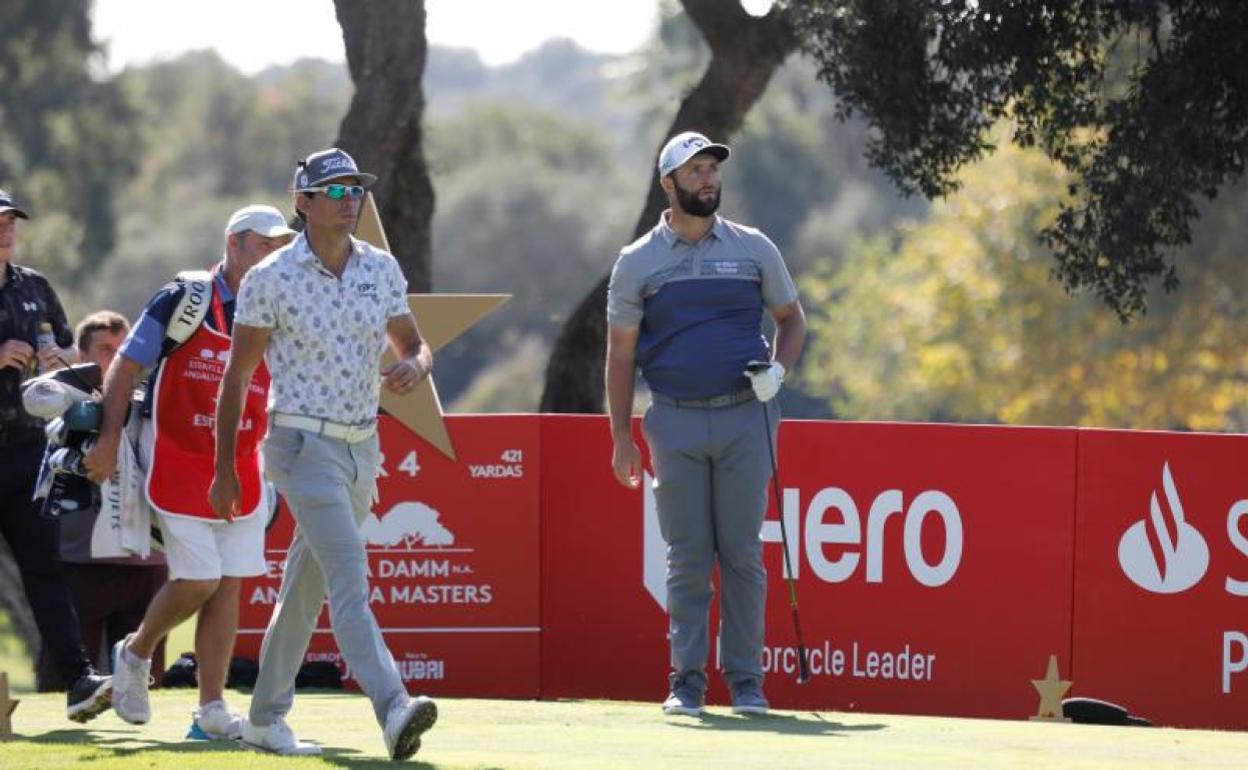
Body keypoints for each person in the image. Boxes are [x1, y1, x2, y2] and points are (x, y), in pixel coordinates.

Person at [209, 148, 437, 760]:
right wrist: (225, 466)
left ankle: (262, 718)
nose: (350, 200)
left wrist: (414, 366)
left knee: (304, 590)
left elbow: (413, 344)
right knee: (348, 577)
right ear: (303, 201)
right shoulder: (269, 278)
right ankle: (394, 708)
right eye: (335, 191)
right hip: (299, 445)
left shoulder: (381, 268)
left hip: (364, 448)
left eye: (356, 190)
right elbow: (237, 376)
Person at [605, 132, 807, 716]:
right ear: (668, 184)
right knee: (688, 555)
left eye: (712, 168)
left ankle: (747, 683)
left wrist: (779, 370)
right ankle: (686, 683)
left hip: (748, 416)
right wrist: (620, 437)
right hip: (673, 420)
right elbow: (620, 355)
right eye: (695, 171)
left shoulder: (753, 248)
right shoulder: (638, 261)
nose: (708, 178)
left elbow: (791, 320)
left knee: (742, 552)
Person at [83, 205, 295, 738]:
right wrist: (109, 438)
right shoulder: (186, 297)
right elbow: (126, 364)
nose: (274, 254)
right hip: (177, 453)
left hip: (245, 459)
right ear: (233, 244)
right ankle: (136, 652)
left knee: (228, 585)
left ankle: (211, 711)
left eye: (280, 246)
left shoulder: (282, 302)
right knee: (199, 579)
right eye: (263, 244)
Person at [0, 188, 113, 722]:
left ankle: (78, 680)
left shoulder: (35, 288)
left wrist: (58, 360)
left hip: (27, 451)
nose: (6, 230)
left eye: (10, 221)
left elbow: (72, 356)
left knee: (45, 570)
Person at [57, 311, 168, 677]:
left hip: (147, 561)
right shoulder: (61, 403)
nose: (117, 358)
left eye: (124, 349)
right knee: (70, 675)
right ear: (81, 355)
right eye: (106, 349)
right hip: (82, 561)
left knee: (145, 676)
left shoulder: (156, 400)